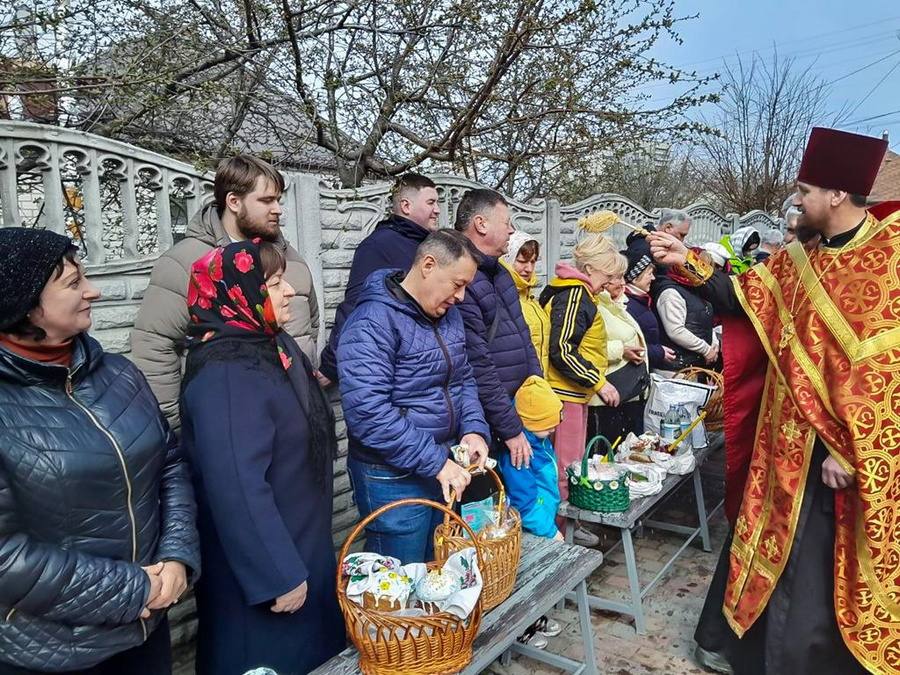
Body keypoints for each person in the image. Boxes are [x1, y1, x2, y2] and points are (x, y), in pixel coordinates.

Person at [648, 127, 898, 675]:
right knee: (764, 544)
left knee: (812, 571)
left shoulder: (889, 258)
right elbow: (742, 297)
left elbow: (888, 376)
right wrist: (682, 259)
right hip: (782, 437)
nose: (796, 199)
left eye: (805, 190)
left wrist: (851, 451)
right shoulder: (798, 258)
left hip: (836, 457)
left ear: (836, 195)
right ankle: (743, 648)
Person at [0, 228, 200, 675]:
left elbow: (169, 465)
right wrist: (132, 589)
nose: (92, 290)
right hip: (54, 651)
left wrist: (177, 555)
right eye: (72, 283)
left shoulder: (119, 374)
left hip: (146, 627)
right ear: (23, 307)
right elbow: (6, 556)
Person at [179, 241, 344, 675]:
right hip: (266, 568)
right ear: (238, 296)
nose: (289, 290)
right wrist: (278, 575)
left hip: (298, 540)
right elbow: (236, 484)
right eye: (273, 283)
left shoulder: (268, 342)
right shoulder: (226, 372)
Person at [132, 155, 319, 434]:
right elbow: (155, 347)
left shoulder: (292, 261)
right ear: (234, 201)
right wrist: (177, 429)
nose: (278, 209)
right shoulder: (187, 263)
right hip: (230, 432)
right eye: (266, 200)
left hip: (296, 427)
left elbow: (309, 329)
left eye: (278, 200)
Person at [337, 230, 490, 564]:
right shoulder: (371, 322)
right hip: (392, 478)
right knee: (400, 584)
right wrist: (436, 462)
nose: (462, 297)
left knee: (435, 574)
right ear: (428, 266)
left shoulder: (448, 316)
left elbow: (463, 380)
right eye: (457, 284)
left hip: (442, 469)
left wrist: (474, 430)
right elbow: (369, 413)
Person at [318, 173, 441, 385]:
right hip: (397, 372)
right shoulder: (378, 246)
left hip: (432, 369)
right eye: (431, 202)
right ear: (406, 206)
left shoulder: (432, 246)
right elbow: (356, 306)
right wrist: (332, 364)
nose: (437, 210)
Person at [539, 233, 621, 547]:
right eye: (606, 275)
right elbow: (562, 350)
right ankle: (558, 536)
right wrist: (598, 380)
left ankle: (566, 526)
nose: (609, 282)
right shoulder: (575, 296)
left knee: (566, 466)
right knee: (565, 468)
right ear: (588, 269)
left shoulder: (570, 291)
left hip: (571, 395)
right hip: (565, 397)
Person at [454, 190, 542, 476]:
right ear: (481, 224)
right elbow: (478, 365)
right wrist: (510, 427)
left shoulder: (501, 274)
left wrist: (537, 393)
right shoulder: (463, 281)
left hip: (518, 411)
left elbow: (523, 337)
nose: (512, 230)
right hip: (488, 423)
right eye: (506, 223)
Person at [501, 375, 564, 649]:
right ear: (530, 421)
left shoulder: (538, 440)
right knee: (524, 576)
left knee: (539, 576)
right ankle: (522, 628)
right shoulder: (519, 453)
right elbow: (524, 504)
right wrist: (549, 530)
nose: (553, 429)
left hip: (542, 518)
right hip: (530, 528)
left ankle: (537, 616)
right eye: (547, 425)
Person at [587, 257, 649, 444]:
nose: (623, 282)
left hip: (626, 393)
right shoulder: (593, 305)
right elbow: (585, 348)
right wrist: (621, 350)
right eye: (617, 277)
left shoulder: (615, 303)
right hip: (605, 396)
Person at [651, 255, 718, 375]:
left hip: (694, 365)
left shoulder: (697, 289)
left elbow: (706, 320)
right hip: (674, 369)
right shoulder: (670, 293)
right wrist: (706, 349)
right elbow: (676, 331)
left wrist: (714, 343)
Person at [500, 230, 550, 374]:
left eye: (533, 262)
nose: (529, 269)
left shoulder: (532, 299)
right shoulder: (501, 298)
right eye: (522, 261)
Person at [623, 243, 676, 371]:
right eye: (649, 274)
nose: (653, 278)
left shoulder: (641, 300)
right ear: (635, 278)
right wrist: (658, 352)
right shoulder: (627, 304)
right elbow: (631, 345)